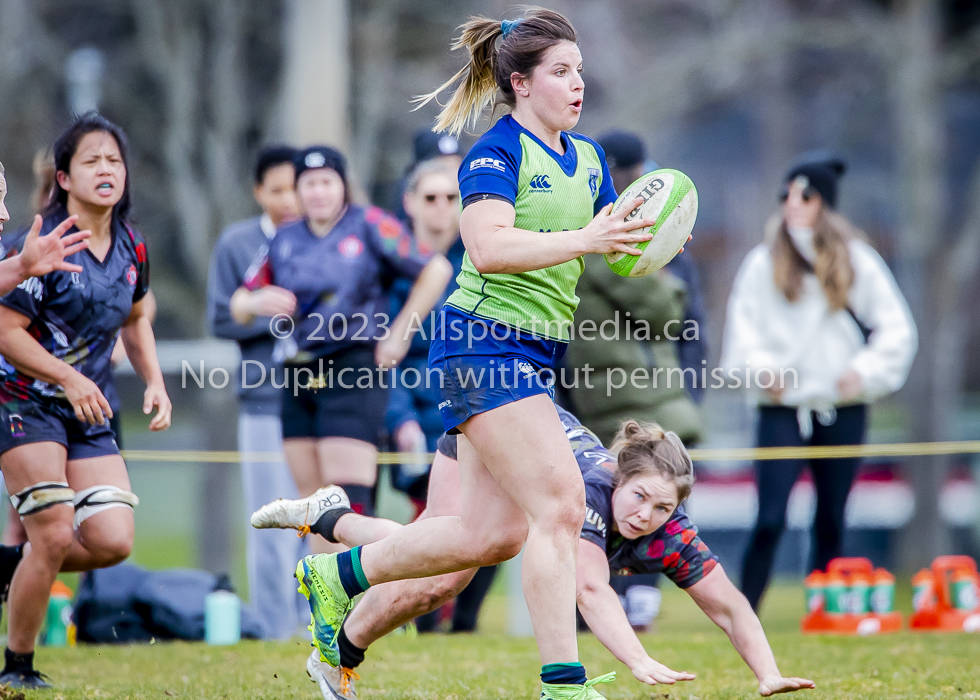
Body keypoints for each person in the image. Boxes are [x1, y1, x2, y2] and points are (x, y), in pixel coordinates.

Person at [287, 9, 694, 700]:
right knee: (564, 504)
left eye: (580, 72)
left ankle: (337, 575)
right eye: (561, 72)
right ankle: (561, 683)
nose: (577, 84)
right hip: (480, 342)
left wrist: (654, 240)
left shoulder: (589, 158)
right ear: (520, 82)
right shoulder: (494, 153)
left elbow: (610, 244)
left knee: (483, 537)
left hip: (532, 353)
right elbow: (489, 247)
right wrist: (590, 241)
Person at [252, 406, 814, 699]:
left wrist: (767, 673)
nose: (645, 516)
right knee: (444, 573)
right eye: (639, 497)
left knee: (442, 556)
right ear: (619, 477)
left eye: (662, 508)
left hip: (529, 452)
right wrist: (639, 661)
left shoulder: (669, 527)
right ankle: (339, 645)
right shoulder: (594, 490)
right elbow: (590, 588)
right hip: (489, 433)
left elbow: (729, 606)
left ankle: (330, 518)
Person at [0, 112, 171, 689]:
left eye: (115, 160)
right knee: (50, 532)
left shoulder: (132, 246)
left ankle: (8, 566)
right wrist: (69, 379)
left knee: (111, 540)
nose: (107, 170)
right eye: (92, 160)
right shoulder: (37, 241)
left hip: (86, 410)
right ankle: (18, 667)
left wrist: (154, 379)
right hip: (23, 399)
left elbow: (138, 316)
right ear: (64, 177)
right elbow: (4, 332)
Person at [721, 153, 917, 611]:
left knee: (831, 515)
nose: (793, 203)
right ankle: (743, 612)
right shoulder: (761, 263)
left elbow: (896, 327)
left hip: (841, 404)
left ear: (824, 203)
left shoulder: (858, 261)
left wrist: (864, 372)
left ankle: (826, 611)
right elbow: (742, 328)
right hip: (781, 404)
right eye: (786, 193)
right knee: (769, 517)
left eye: (805, 195)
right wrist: (761, 368)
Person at [230, 145, 452, 549]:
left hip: (352, 368)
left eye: (327, 182)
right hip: (298, 374)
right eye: (309, 184)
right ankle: (329, 610)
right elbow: (238, 304)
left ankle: (370, 605)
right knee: (312, 511)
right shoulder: (285, 238)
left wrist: (400, 333)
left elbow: (436, 270)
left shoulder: (367, 225)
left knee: (347, 506)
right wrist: (256, 302)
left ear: (342, 186)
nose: (318, 192)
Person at [564, 130, 708, 631]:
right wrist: (672, 270)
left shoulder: (567, 232)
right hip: (636, 399)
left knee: (608, 510)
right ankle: (637, 601)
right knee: (650, 505)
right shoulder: (613, 236)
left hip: (590, 398)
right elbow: (667, 315)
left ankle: (600, 611)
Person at [207, 145, 304, 639]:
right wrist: (255, 307)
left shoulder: (325, 240)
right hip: (264, 399)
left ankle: (317, 625)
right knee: (271, 521)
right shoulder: (237, 243)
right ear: (258, 192)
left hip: (318, 399)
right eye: (277, 189)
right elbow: (219, 317)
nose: (289, 199)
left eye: (296, 187)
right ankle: (273, 628)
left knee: (320, 518)